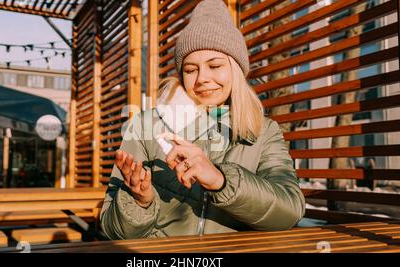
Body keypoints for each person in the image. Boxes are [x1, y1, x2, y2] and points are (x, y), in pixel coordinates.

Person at [99, 0, 305, 239]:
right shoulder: (147, 126)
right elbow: (112, 231)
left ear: (236, 70)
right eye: (190, 69)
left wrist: (221, 180)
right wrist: (139, 201)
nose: (202, 79)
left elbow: (289, 212)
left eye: (215, 65)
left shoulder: (264, 131)